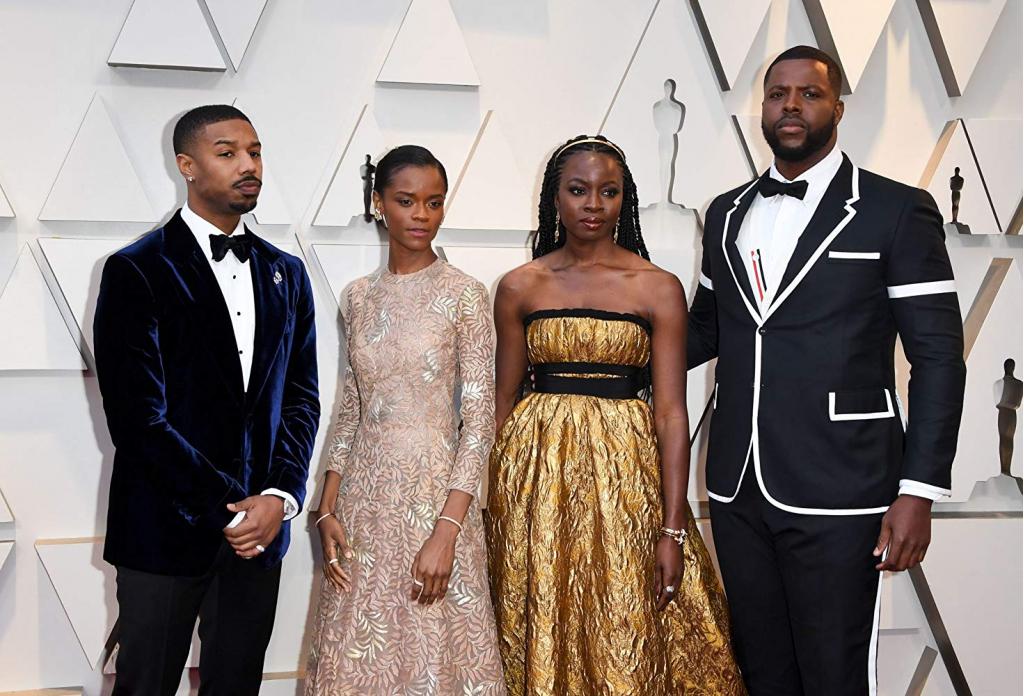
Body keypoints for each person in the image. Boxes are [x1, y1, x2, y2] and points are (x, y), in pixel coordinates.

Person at [687, 46, 966, 695]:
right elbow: (706, 327)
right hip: (736, 486)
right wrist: (599, 357)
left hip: (845, 489)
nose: (791, 105)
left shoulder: (896, 210)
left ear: (838, 106)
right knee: (762, 671)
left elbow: (937, 357)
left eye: (808, 94)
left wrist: (918, 490)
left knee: (835, 676)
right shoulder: (725, 213)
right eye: (777, 93)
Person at [487, 135, 744, 694]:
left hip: (626, 486)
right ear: (554, 197)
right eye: (578, 190)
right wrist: (493, 505)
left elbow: (672, 414)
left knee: (626, 623)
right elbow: (501, 404)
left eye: (609, 192)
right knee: (542, 622)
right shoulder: (518, 287)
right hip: (536, 488)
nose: (593, 204)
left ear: (624, 200)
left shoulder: (657, 288)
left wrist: (673, 527)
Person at [93, 104, 320, 695]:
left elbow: (301, 400)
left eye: (255, 151)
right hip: (163, 530)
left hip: (261, 535)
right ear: (187, 166)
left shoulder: (288, 274)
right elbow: (139, 421)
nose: (249, 166)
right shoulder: (135, 270)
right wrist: (233, 506)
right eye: (228, 153)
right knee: (144, 686)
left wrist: (279, 498)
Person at [305, 145, 505, 694]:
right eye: (406, 200)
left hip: (436, 502)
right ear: (378, 204)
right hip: (363, 508)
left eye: (434, 202)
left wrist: (448, 530)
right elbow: (350, 407)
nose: (422, 214)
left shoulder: (465, 295)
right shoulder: (359, 298)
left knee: (432, 652)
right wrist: (326, 506)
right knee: (360, 657)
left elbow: (481, 420)